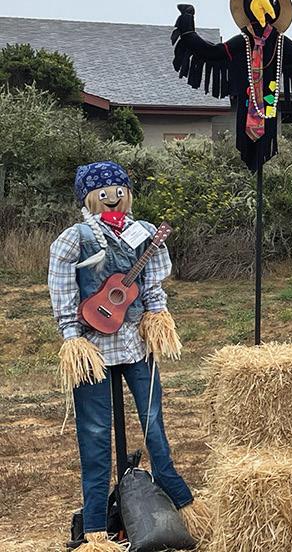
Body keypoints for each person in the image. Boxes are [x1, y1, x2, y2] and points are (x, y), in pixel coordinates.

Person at [49, 161, 204, 551]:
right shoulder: (75, 238)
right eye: (103, 193)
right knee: (94, 434)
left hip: (135, 342)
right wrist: (72, 336)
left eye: (119, 191)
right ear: (88, 197)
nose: (113, 198)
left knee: (154, 424)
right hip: (92, 349)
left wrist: (156, 316)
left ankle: (182, 506)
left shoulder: (145, 233)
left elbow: (151, 284)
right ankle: (96, 529)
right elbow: (62, 289)